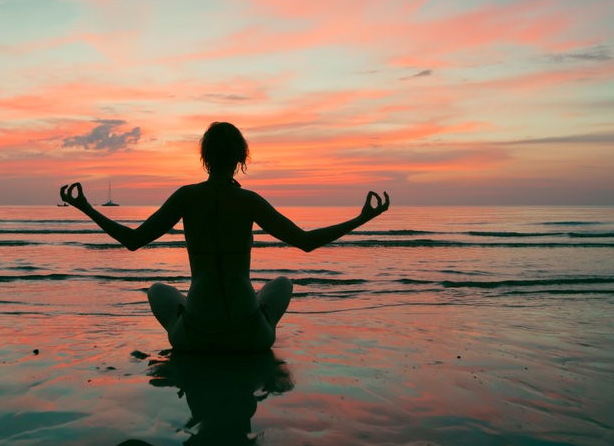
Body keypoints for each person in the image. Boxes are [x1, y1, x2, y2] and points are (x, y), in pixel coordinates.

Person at [60, 122, 389, 352]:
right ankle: (257, 320)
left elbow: (132, 240)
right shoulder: (249, 201)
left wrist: (87, 207)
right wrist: (361, 219)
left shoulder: (186, 196)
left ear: (204, 158)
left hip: (194, 338)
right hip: (250, 338)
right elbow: (306, 241)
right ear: (241, 158)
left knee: (159, 289)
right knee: (283, 283)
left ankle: (190, 317)